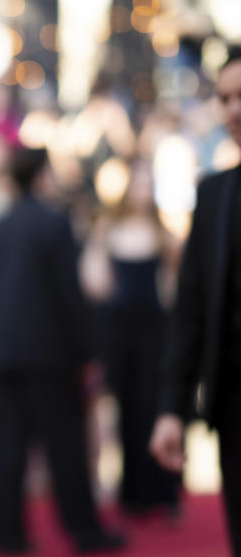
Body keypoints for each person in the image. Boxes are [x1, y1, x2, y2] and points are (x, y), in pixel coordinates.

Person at [0, 145, 126, 554]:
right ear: (42, 175)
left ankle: (8, 534)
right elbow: (68, 294)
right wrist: (87, 352)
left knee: (8, 444)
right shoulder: (55, 223)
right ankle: (84, 531)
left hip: (3, 352)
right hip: (50, 352)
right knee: (65, 444)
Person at [150, 47, 241, 557]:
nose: (232, 109)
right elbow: (191, 312)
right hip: (234, 407)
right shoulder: (214, 193)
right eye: (226, 97)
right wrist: (171, 409)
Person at [81, 160, 181, 516]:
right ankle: (133, 492)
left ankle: (163, 490)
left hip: (154, 329)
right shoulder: (108, 230)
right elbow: (94, 282)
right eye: (137, 185)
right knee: (125, 406)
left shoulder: (162, 233)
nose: (143, 192)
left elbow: (173, 282)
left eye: (147, 185)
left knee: (153, 405)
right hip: (120, 330)